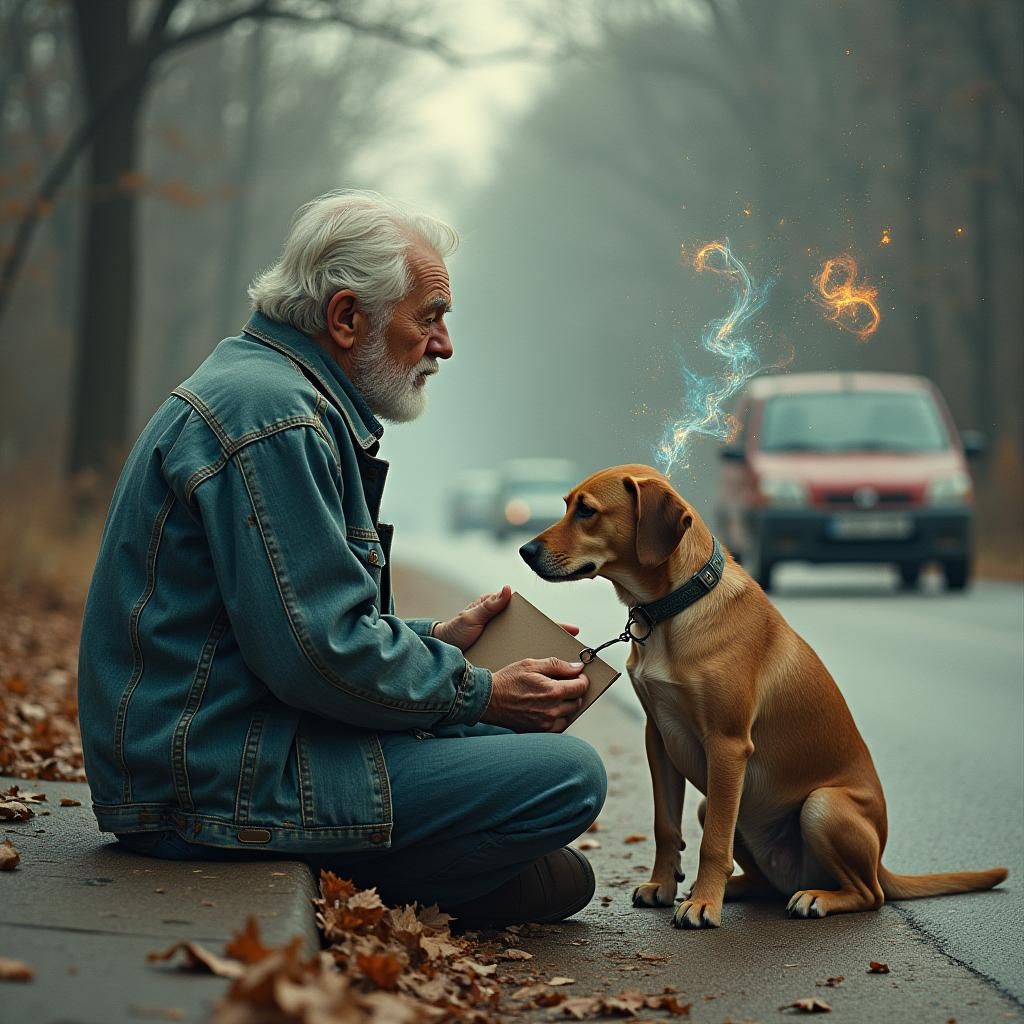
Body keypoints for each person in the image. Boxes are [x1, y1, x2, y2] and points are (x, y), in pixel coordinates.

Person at [77, 190, 606, 927]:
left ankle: (406, 864)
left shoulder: (271, 392)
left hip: (235, 747)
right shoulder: (277, 419)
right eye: (429, 317)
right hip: (214, 783)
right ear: (348, 317)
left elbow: (297, 627)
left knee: (546, 837)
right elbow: (317, 653)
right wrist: (478, 690)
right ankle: (364, 877)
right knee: (568, 778)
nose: (445, 345)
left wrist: (434, 644)